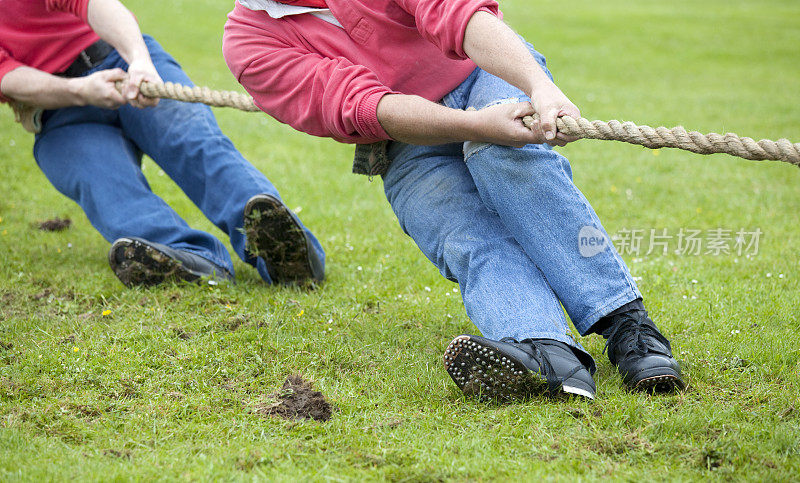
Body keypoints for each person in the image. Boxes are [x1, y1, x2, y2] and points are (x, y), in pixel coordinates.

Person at [222, 0, 685, 400]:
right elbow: (360, 105)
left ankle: (628, 327)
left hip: (486, 72)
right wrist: (473, 124)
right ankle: (546, 352)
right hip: (401, 138)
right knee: (463, 232)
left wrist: (538, 85)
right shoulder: (249, 44)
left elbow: (458, 13)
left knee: (500, 155)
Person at [0, 0, 325, 288]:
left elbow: (95, 4)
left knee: (193, 143)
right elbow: (7, 76)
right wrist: (80, 91)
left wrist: (139, 60)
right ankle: (191, 260)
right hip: (58, 113)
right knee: (106, 187)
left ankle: (288, 255)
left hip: (120, 59)